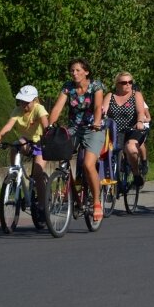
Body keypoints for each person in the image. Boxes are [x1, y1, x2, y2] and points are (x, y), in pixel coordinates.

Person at [48, 58, 106, 222]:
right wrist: (50, 126)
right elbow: (58, 107)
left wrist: (96, 121)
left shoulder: (96, 86)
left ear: (86, 72)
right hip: (74, 128)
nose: (74, 73)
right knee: (62, 156)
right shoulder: (68, 87)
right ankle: (69, 189)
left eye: (78, 70)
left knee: (88, 164)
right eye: (72, 70)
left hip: (93, 128)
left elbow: (97, 106)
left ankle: (96, 202)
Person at [0, 85, 49, 214]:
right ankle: (14, 175)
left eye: (27, 102)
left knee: (37, 174)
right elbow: (8, 125)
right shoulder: (17, 110)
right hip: (27, 141)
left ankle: (42, 205)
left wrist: (47, 135)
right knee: (15, 145)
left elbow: (45, 124)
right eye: (22, 101)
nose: (24, 105)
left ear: (35, 100)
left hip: (40, 143)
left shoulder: (39, 109)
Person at [102, 72, 147, 188]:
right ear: (117, 84)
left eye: (130, 82)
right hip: (114, 130)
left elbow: (140, 112)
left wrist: (140, 122)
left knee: (131, 148)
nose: (128, 85)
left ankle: (136, 174)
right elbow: (103, 111)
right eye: (124, 82)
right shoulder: (110, 96)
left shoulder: (136, 95)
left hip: (132, 129)